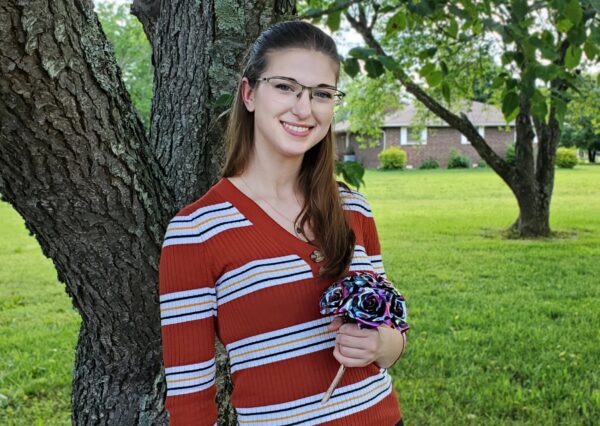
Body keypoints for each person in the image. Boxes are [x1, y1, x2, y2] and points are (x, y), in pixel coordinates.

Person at [159, 20, 408, 426]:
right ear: (250, 93)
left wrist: (380, 343)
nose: (304, 108)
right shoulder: (195, 231)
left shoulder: (353, 208)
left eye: (322, 94)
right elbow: (189, 398)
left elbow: (395, 338)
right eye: (285, 87)